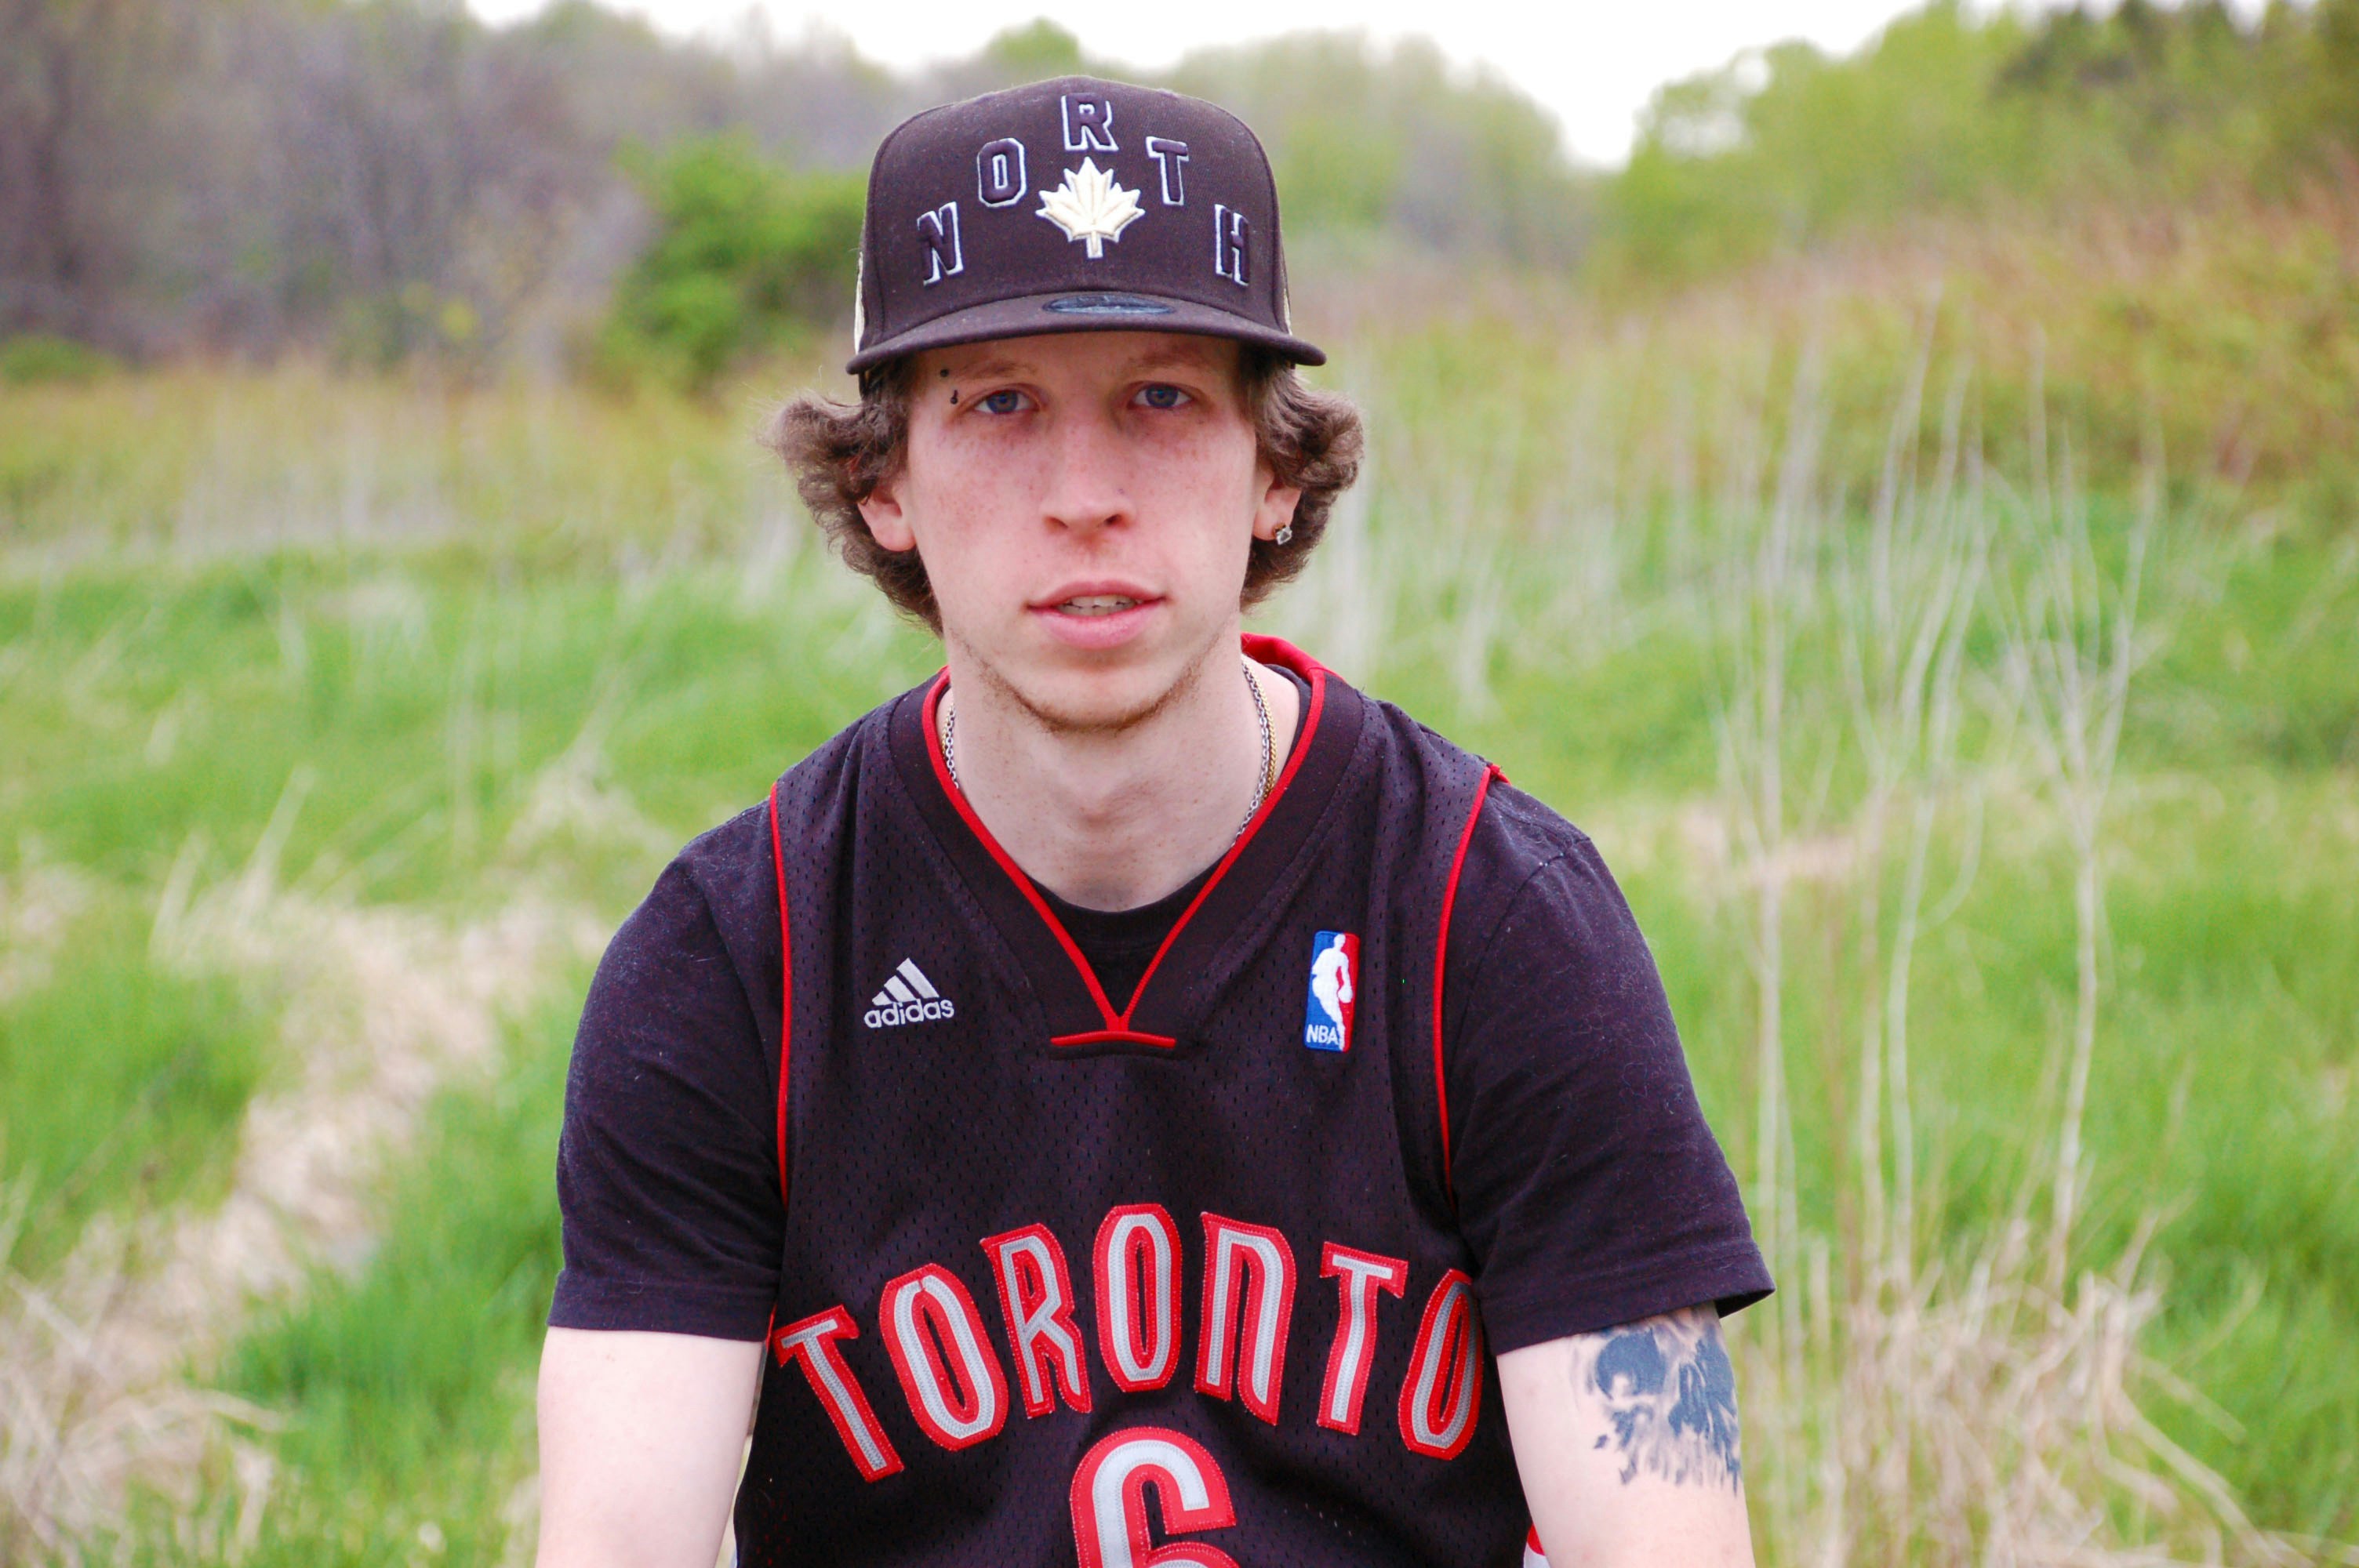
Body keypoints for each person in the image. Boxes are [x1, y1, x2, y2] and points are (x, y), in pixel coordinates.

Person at [534, 75, 1771, 1568]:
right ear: (882, 486)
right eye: (996, 402)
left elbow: (1665, 1547)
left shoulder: (1493, 918)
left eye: (1163, 397)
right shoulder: (741, 958)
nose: (1084, 493)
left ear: (1274, 468)